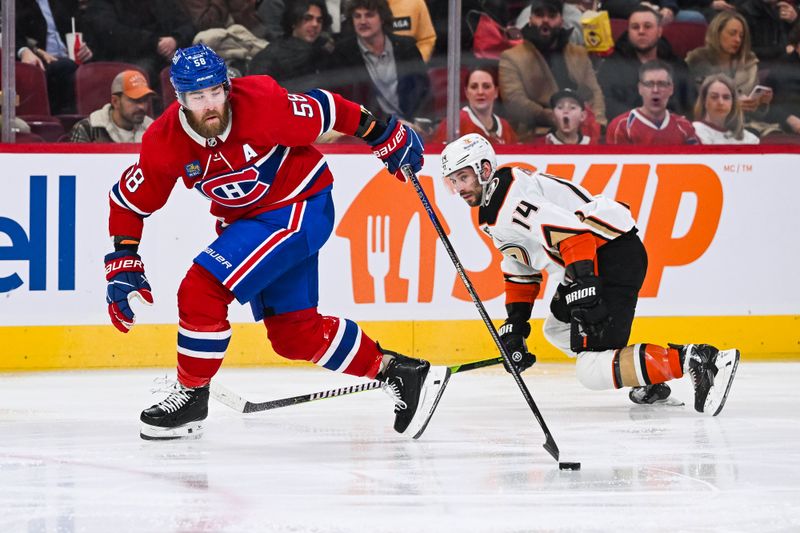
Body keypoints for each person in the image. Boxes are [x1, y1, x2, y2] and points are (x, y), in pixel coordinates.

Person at [103, 44, 448, 440]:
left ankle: (192, 395)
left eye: (216, 91)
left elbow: (328, 109)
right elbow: (129, 200)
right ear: (179, 99)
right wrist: (124, 258)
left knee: (201, 289)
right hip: (251, 221)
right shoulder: (166, 140)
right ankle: (400, 372)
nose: (211, 104)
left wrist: (383, 131)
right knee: (293, 335)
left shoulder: (261, 103)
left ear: (227, 86)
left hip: (300, 205)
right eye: (198, 97)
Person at [440, 133, 740, 414]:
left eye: (464, 177)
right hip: (594, 258)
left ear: (484, 167)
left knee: (590, 372)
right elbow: (521, 268)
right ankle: (646, 376)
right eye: (454, 181)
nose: (460, 188)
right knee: (557, 329)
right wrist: (516, 325)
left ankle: (698, 359)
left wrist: (585, 285)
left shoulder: (510, 197)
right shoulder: (496, 204)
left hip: (609, 255)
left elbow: (574, 235)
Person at [498, 0, 606, 139]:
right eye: (539, 15)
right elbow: (515, 102)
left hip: (582, 134)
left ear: (561, 20)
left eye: (551, 15)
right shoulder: (511, 57)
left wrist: (598, 123)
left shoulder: (579, 53)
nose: (545, 20)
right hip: (536, 136)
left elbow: (594, 93)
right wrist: (558, 118)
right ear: (530, 20)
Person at [329, 0, 430, 123]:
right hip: (367, 130)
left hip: (410, 126)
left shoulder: (407, 47)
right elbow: (341, 102)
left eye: (369, 15)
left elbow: (424, 92)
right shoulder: (342, 53)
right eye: (357, 16)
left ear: (382, 18)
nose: (362, 21)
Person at [685, 11, 780, 137]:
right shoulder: (698, 62)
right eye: (732, 33)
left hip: (748, 125)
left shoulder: (749, 63)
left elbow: (756, 114)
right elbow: (692, 106)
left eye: (741, 36)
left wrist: (760, 103)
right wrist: (732, 106)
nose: (737, 40)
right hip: (711, 127)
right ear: (717, 33)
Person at [596, 5, 693, 121]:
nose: (641, 31)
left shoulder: (677, 65)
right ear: (629, 32)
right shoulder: (611, 66)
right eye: (635, 27)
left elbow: (689, 103)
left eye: (647, 26)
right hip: (628, 130)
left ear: (659, 31)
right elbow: (608, 105)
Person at [83, 0, 195, 87]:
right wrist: (155, 43)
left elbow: (187, 25)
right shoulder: (104, 3)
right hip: (127, 56)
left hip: (166, 52)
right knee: (138, 75)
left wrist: (175, 40)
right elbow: (112, 33)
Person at [15, 0, 94, 114]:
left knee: (101, 70)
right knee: (66, 68)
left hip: (70, 59)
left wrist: (87, 48)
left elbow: (82, 29)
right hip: (42, 61)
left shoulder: (63, 3)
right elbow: (10, 34)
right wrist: (24, 50)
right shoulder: (16, 4)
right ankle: (68, 123)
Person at [247, 0, 335, 93]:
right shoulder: (272, 55)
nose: (315, 24)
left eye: (319, 20)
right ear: (293, 21)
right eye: (307, 18)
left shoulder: (324, 52)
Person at [606, 60, 699, 144]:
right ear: (640, 88)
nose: (655, 90)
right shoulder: (622, 126)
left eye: (661, 84)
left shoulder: (684, 126)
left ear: (671, 89)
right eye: (649, 84)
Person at [429, 67, 518, 144]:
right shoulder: (453, 124)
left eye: (486, 86)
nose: (480, 92)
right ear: (466, 92)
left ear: (496, 92)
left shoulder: (505, 128)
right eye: (474, 87)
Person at [69, 70, 156, 142]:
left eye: (145, 100)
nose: (142, 107)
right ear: (115, 101)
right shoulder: (87, 130)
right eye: (135, 100)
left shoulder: (155, 131)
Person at [692, 74, 760, 143]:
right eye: (714, 97)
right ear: (704, 101)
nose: (720, 102)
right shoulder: (694, 131)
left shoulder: (750, 139)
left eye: (726, 97)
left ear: (733, 102)